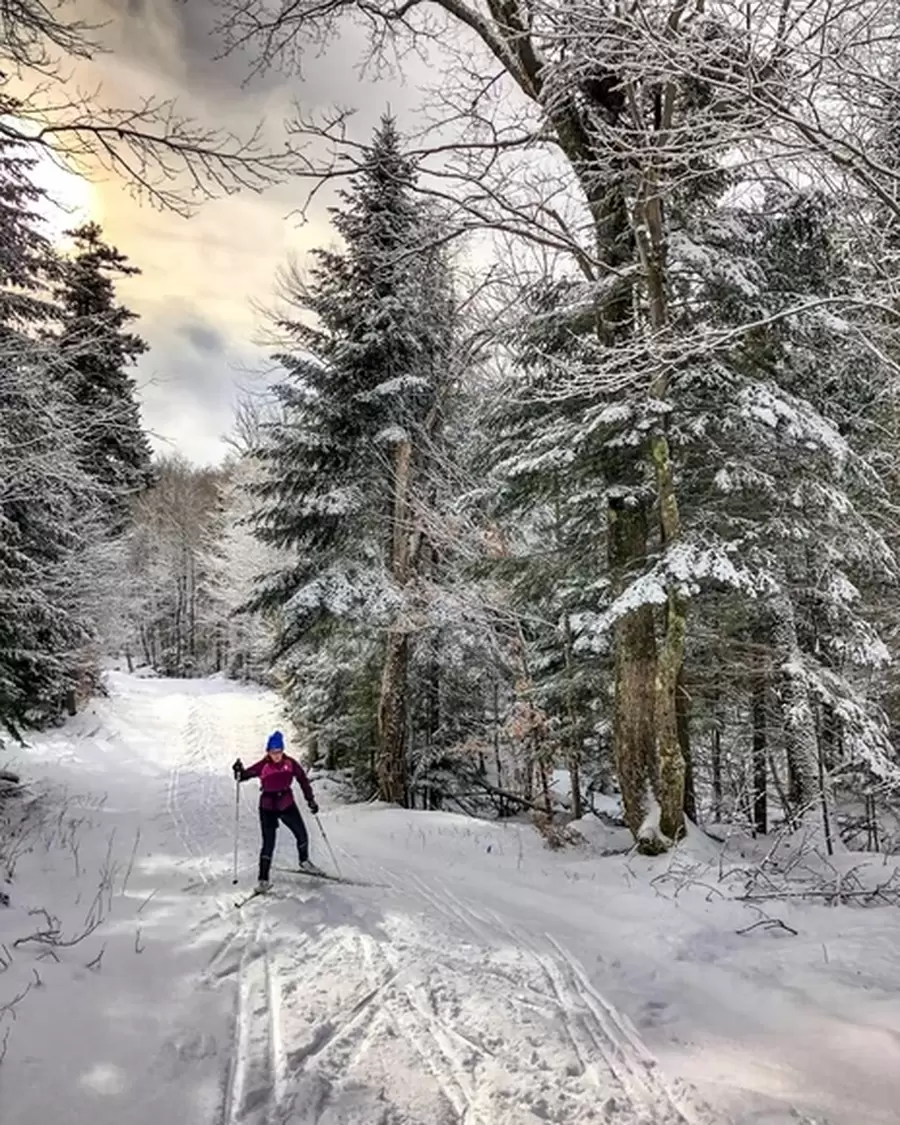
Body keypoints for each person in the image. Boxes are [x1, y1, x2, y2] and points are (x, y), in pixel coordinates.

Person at [232, 731, 322, 892]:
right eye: (273, 752)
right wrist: (238, 770)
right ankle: (263, 879)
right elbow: (244, 776)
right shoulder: (263, 765)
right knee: (268, 843)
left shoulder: (291, 763)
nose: (276, 755)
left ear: (282, 751)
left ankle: (304, 861)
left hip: (286, 803)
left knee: (301, 833)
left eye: (279, 751)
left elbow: (302, 780)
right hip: (267, 807)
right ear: (268, 752)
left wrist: (311, 800)